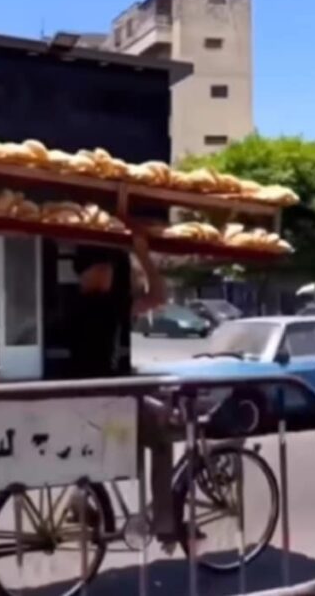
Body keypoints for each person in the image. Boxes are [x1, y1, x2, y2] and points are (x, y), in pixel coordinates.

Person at [69, 235, 179, 548]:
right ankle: (164, 522)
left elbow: (153, 297)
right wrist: (142, 255)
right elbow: (158, 295)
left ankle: (81, 494)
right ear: (91, 272)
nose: (110, 275)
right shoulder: (102, 305)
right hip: (109, 405)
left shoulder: (77, 303)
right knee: (162, 440)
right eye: (105, 269)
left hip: (96, 403)